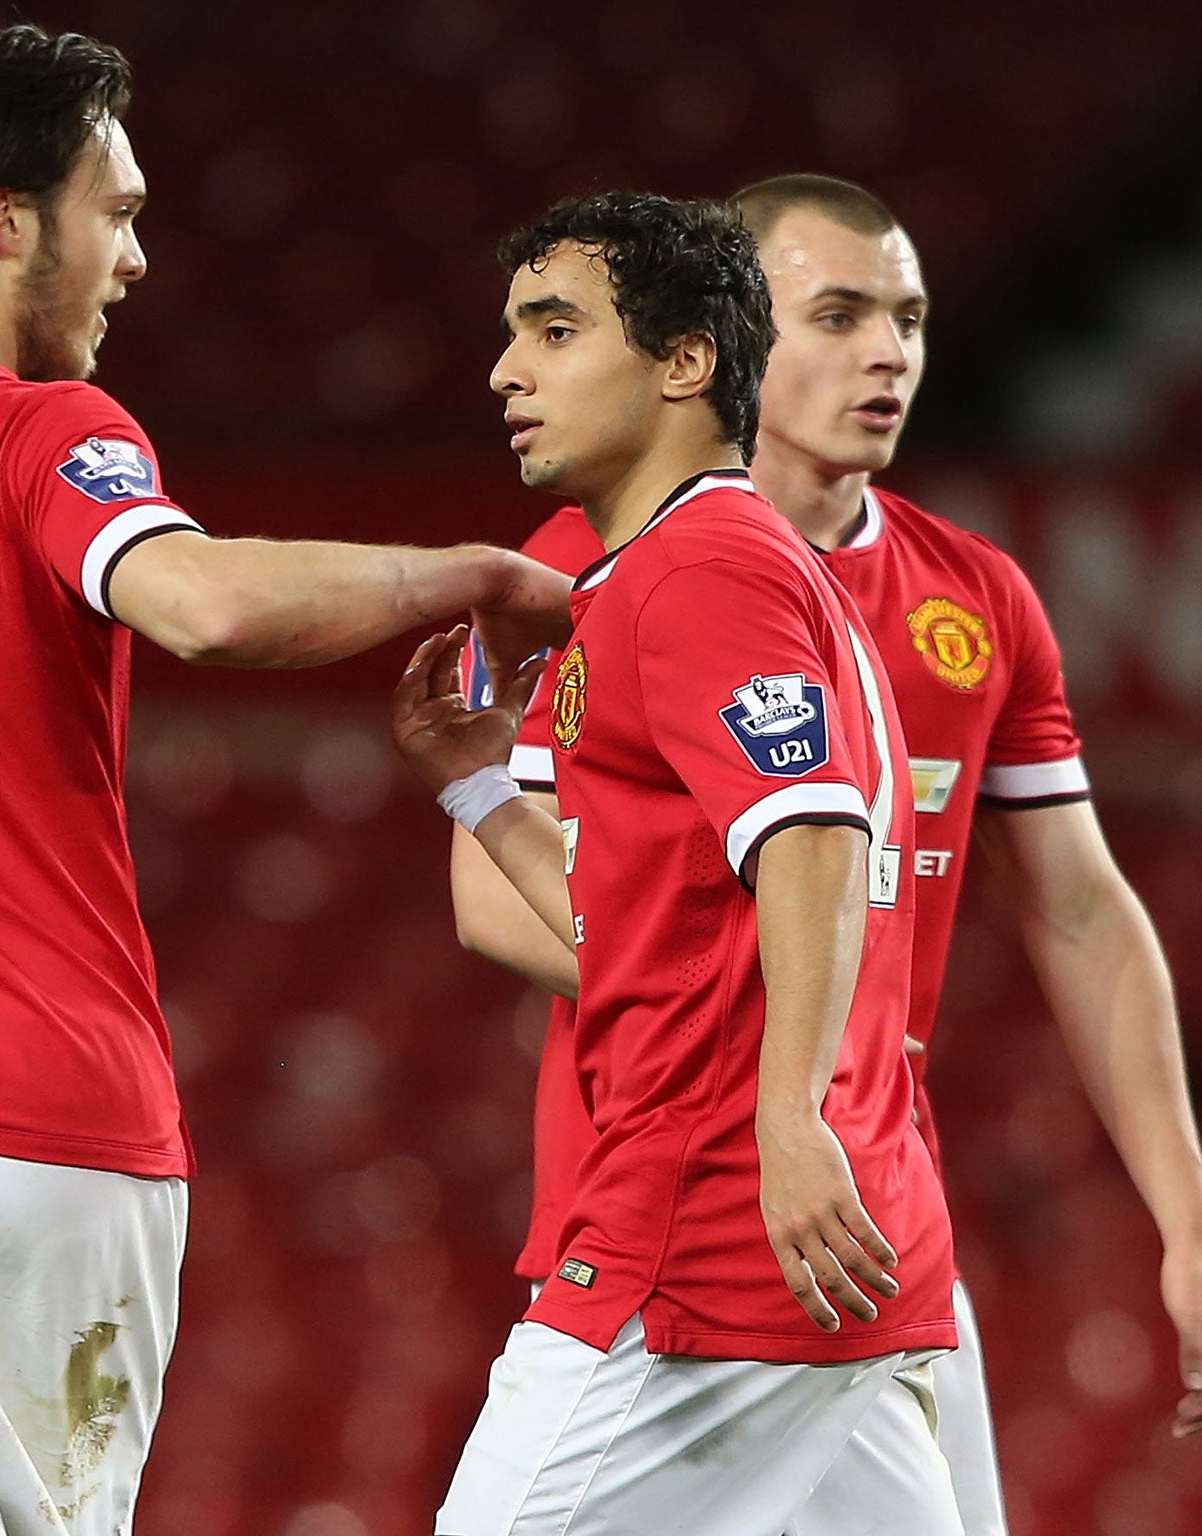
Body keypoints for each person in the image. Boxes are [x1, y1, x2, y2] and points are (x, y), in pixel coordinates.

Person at [0, 25, 569, 1536]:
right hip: (59, 1139)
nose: (133, 258)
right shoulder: (39, 431)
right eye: (114, 212)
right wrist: (459, 567)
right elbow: (202, 606)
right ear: (5, 219)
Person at [451, 175, 1202, 1534]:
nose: (891, 351)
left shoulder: (972, 597)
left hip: (823, 1207)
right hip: (690, 1198)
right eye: (839, 313)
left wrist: (1189, 1220)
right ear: (727, 339)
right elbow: (494, 903)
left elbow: (1081, 914)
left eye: (911, 317)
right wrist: (781, 1051)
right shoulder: (568, 573)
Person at [392, 191, 961, 1535]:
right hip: (846, 1249)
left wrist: (786, 1114)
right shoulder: (692, 570)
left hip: (707, 1233)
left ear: (685, 360)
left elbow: (813, 834)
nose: (506, 371)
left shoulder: (698, 570)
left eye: (554, 328)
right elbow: (641, 928)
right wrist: (478, 784)